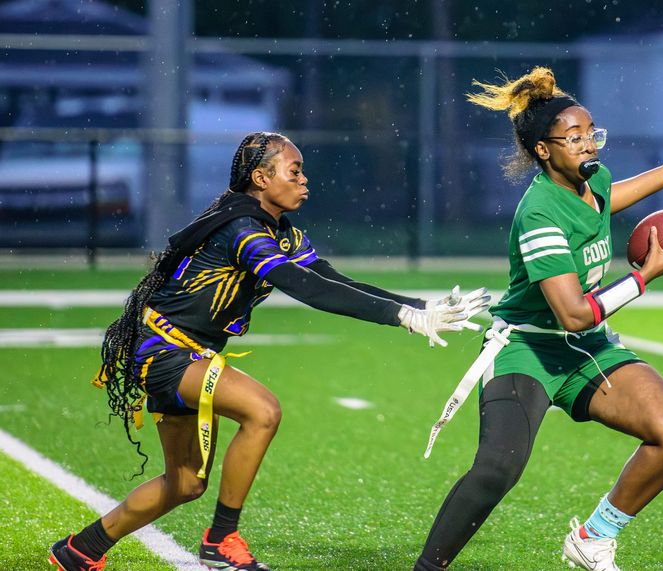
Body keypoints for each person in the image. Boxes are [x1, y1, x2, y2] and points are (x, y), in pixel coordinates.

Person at [48, 131, 490, 571]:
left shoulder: (280, 231)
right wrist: (401, 316)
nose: (304, 180)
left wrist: (419, 307)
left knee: (184, 484)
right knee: (263, 411)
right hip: (165, 352)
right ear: (261, 177)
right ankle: (221, 542)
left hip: (186, 354)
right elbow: (306, 287)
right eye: (294, 171)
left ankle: (79, 550)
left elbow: (334, 281)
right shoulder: (242, 228)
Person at [414, 67, 663, 571]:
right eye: (573, 138)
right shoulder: (539, 213)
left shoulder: (592, 179)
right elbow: (574, 314)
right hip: (529, 348)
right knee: (498, 468)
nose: (588, 145)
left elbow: (605, 201)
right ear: (543, 150)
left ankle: (593, 538)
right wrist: (646, 276)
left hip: (586, 348)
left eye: (590, 133)